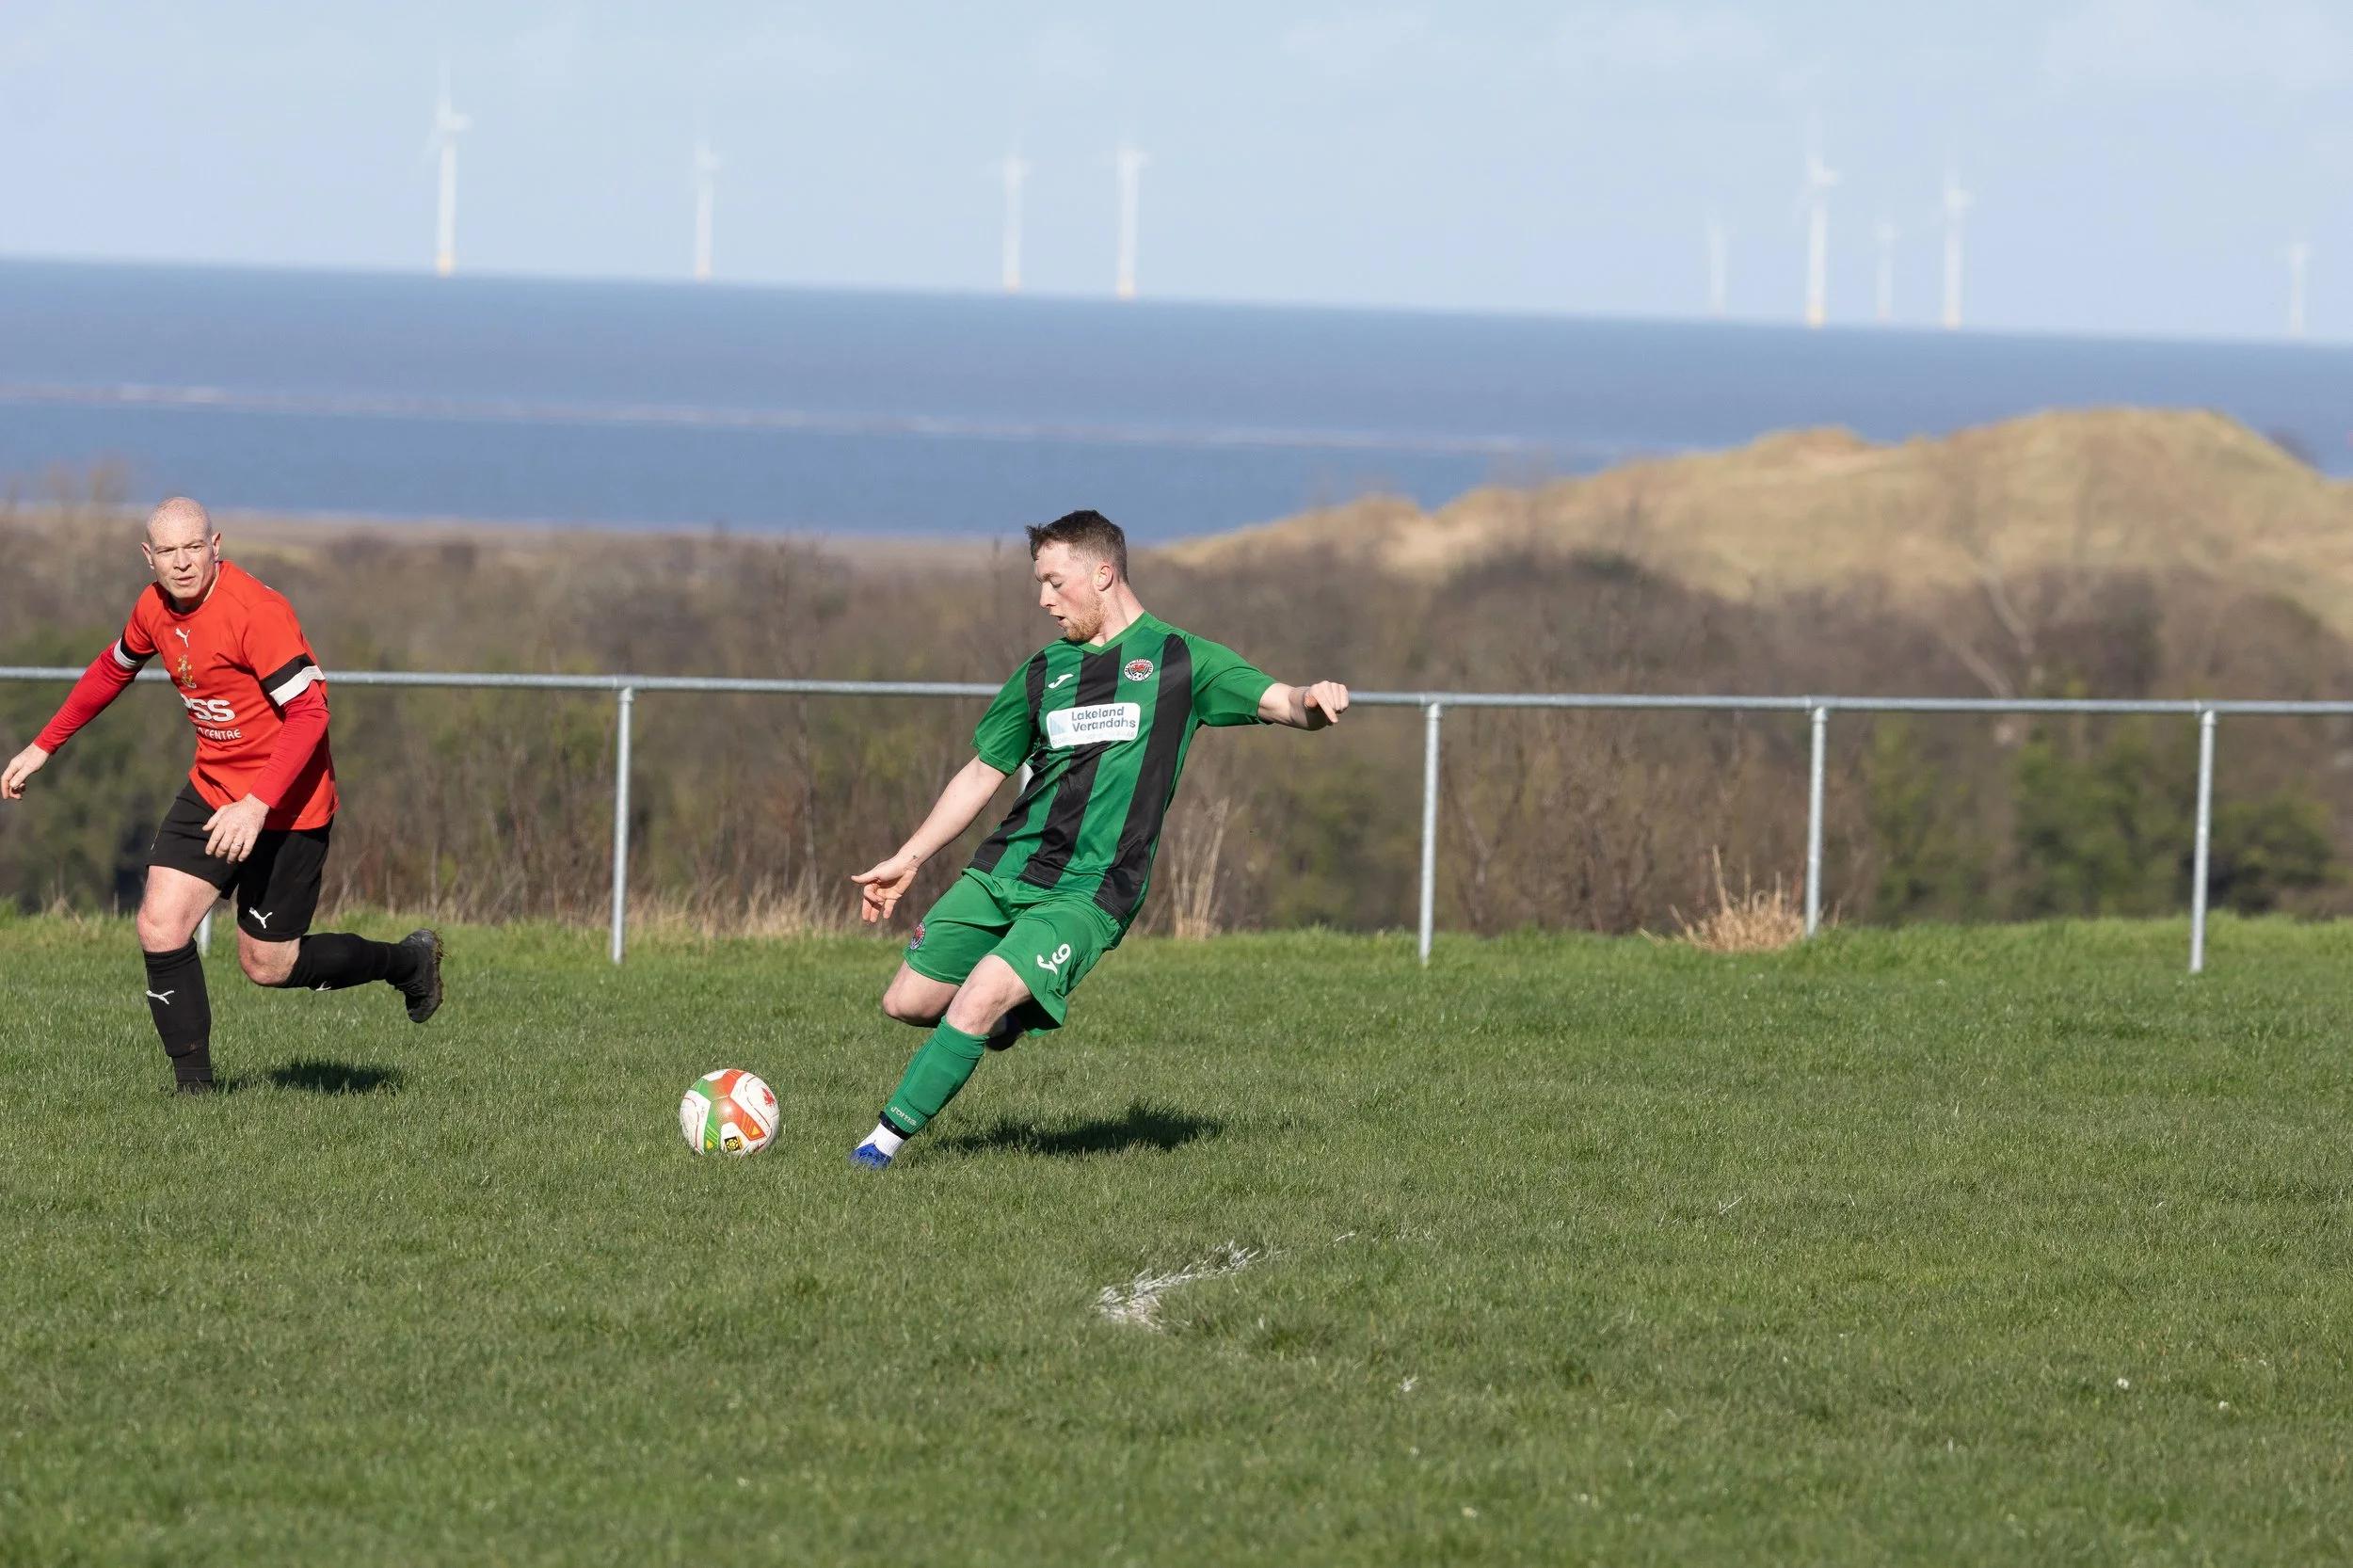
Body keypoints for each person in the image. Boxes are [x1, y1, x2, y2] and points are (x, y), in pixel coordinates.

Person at [844, 508, 1349, 1169]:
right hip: (1007, 869)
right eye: (1040, 584)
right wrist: (907, 859)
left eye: (1056, 583)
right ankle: (1010, 1018)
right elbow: (980, 773)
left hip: (1090, 892)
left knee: (976, 997)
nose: (1044, 600)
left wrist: (1316, 697)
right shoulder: (1042, 673)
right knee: (907, 1002)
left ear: (1103, 573)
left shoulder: (1180, 660)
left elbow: (1281, 701)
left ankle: (875, 1152)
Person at [1, 498, 442, 1093]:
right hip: (213, 789)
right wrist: (43, 746)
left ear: (216, 545)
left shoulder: (256, 612)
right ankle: (196, 1099)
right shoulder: (153, 608)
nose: (181, 563)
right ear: (148, 556)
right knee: (160, 925)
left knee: (268, 964)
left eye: (193, 547)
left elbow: (310, 714)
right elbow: (114, 668)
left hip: (287, 806)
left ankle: (407, 963)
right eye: (168, 551)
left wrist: (257, 805)